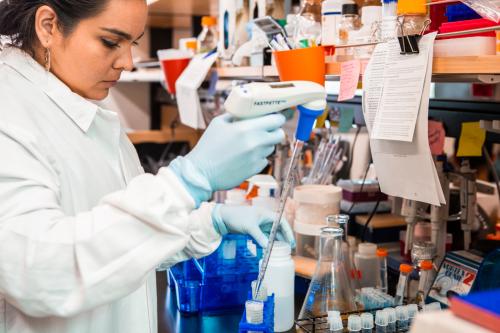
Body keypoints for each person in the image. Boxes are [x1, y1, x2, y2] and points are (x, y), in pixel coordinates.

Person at [0, 1, 294, 332]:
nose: (127, 62)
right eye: (111, 42)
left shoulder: (76, 101)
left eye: (133, 43)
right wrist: (188, 180)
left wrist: (211, 222)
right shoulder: (9, 112)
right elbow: (42, 273)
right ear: (48, 26)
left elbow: (121, 240)